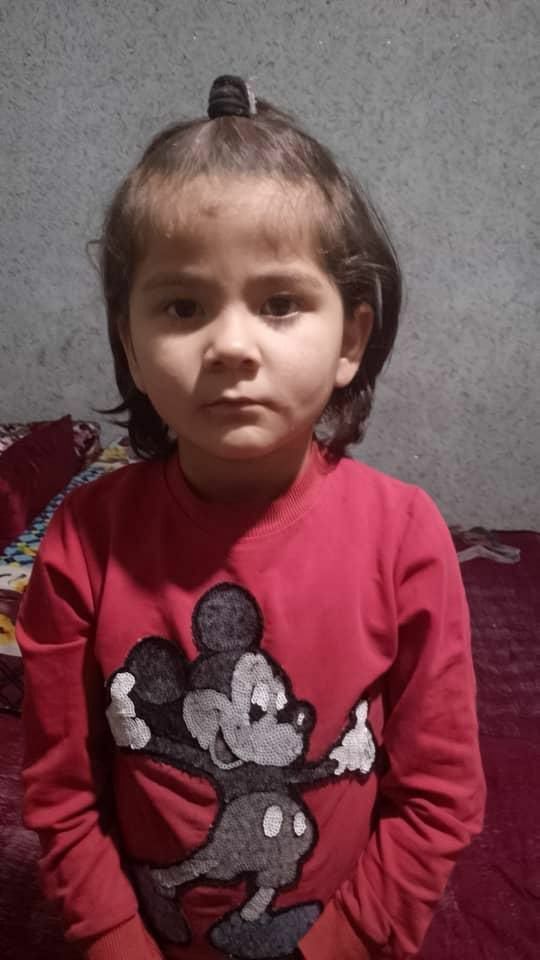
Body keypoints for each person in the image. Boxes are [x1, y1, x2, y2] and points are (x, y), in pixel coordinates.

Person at [17, 75, 485, 960]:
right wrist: (114, 939)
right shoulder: (84, 542)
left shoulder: (405, 537)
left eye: (279, 303)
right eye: (182, 306)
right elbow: (62, 796)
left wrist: (345, 941)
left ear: (350, 340)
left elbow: (439, 797)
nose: (231, 345)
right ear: (130, 345)